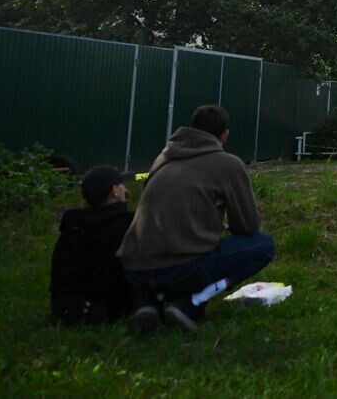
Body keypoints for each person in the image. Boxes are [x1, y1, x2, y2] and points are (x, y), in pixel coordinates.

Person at [118, 104, 276, 332]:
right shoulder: (228, 164)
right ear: (225, 135)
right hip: (179, 270)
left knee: (167, 261)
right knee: (263, 244)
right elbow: (248, 227)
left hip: (134, 269)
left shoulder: (163, 158)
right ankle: (191, 304)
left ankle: (147, 302)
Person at [49, 165, 135, 324]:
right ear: (115, 191)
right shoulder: (127, 223)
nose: (125, 189)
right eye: (121, 185)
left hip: (65, 306)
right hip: (109, 307)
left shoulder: (73, 224)